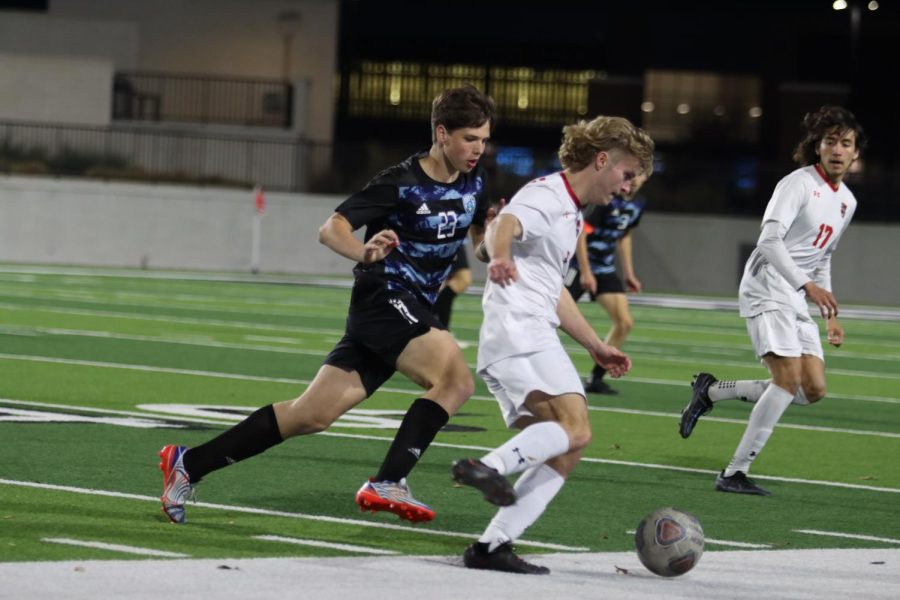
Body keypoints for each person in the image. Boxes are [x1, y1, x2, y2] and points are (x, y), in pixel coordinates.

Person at [158, 84, 496, 524]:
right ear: (441, 133)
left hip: (403, 311)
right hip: (384, 299)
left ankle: (189, 464)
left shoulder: (475, 183)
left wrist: (496, 236)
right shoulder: (401, 183)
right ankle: (388, 480)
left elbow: (482, 251)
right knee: (455, 379)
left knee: (310, 415)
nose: (478, 149)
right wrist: (364, 252)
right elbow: (330, 229)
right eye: (470, 139)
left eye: (484, 139)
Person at [451, 115, 654, 574]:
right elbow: (507, 224)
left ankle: (491, 546)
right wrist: (499, 254)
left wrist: (595, 346)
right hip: (521, 329)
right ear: (602, 160)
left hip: (525, 328)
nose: (626, 189)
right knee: (576, 429)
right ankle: (487, 466)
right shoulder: (547, 196)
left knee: (567, 444)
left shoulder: (569, 209)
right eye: (626, 175)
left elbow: (554, 290)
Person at [678, 105, 866, 496]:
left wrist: (826, 310)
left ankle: (711, 391)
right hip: (768, 285)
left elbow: (823, 255)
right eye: (830, 141)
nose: (837, 149)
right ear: (818, 147)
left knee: (812, 389)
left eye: (845, 143)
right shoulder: (796, 184)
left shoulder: (847, 201)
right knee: (786, 380)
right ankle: (734, 473)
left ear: (854, 154)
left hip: (797, 293)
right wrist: (806, 286)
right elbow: (768, 240)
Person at [565, 170, 650, 394]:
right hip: (577, 266)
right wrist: (585, 272)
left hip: (605, 268)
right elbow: (582, 233)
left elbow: (624, 235)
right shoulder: (606, 197)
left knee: (624, 323)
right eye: (629, 175)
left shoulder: (638, 203)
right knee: (548, 317)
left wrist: (629, 273)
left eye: (638, 176)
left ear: (645, 178)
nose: (631, 181)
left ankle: (595, 378)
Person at [432, 243, 473, 330]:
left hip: (457, 240)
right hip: (449, 240)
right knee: (462, 280)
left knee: (452, 283)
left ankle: (442, 326)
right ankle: (428, 317)